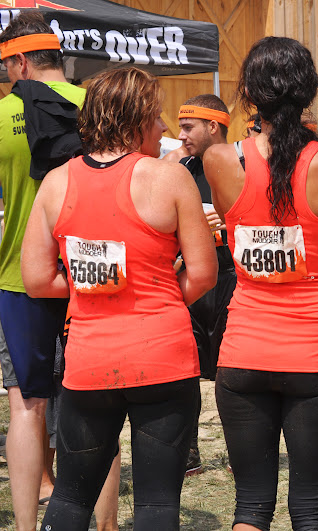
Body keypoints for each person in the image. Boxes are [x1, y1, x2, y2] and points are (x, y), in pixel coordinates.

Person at [21, 66, 217, 529]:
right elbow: (203, 274)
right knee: (157, 504)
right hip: (163, 357)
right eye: (156, 117)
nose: (164, 128)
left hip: (89, 362)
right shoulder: (169, 179)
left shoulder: (56, 183)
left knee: (71, 497)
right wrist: (154, 290)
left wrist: (91, 288)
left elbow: (37, 280)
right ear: (135, 120)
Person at [203, 37, 318, 530]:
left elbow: (237, 233)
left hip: (242, 352)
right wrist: (317, 263)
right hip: (313, 356)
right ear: (309, 91)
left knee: (250, 507)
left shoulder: (219, 160)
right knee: (310, 510)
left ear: (249, 95)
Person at [0, 12, 85, 529]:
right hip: (90, 274)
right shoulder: (97, 104)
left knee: (26, 406)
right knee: (94, 401)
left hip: (17, 276)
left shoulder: (1, 113)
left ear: (21, 62)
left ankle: (26, 526)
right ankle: (104, 522)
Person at [167, 94, 237, 476]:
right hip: (192, 281)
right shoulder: (180, 170)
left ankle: (240, 448)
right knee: (185, 372)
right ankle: (188, 450)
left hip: (232, 278)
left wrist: (228, 220)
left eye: (187, 127)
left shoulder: (243, 167)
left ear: (213, 126)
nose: (180, 136)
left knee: (232, 373)